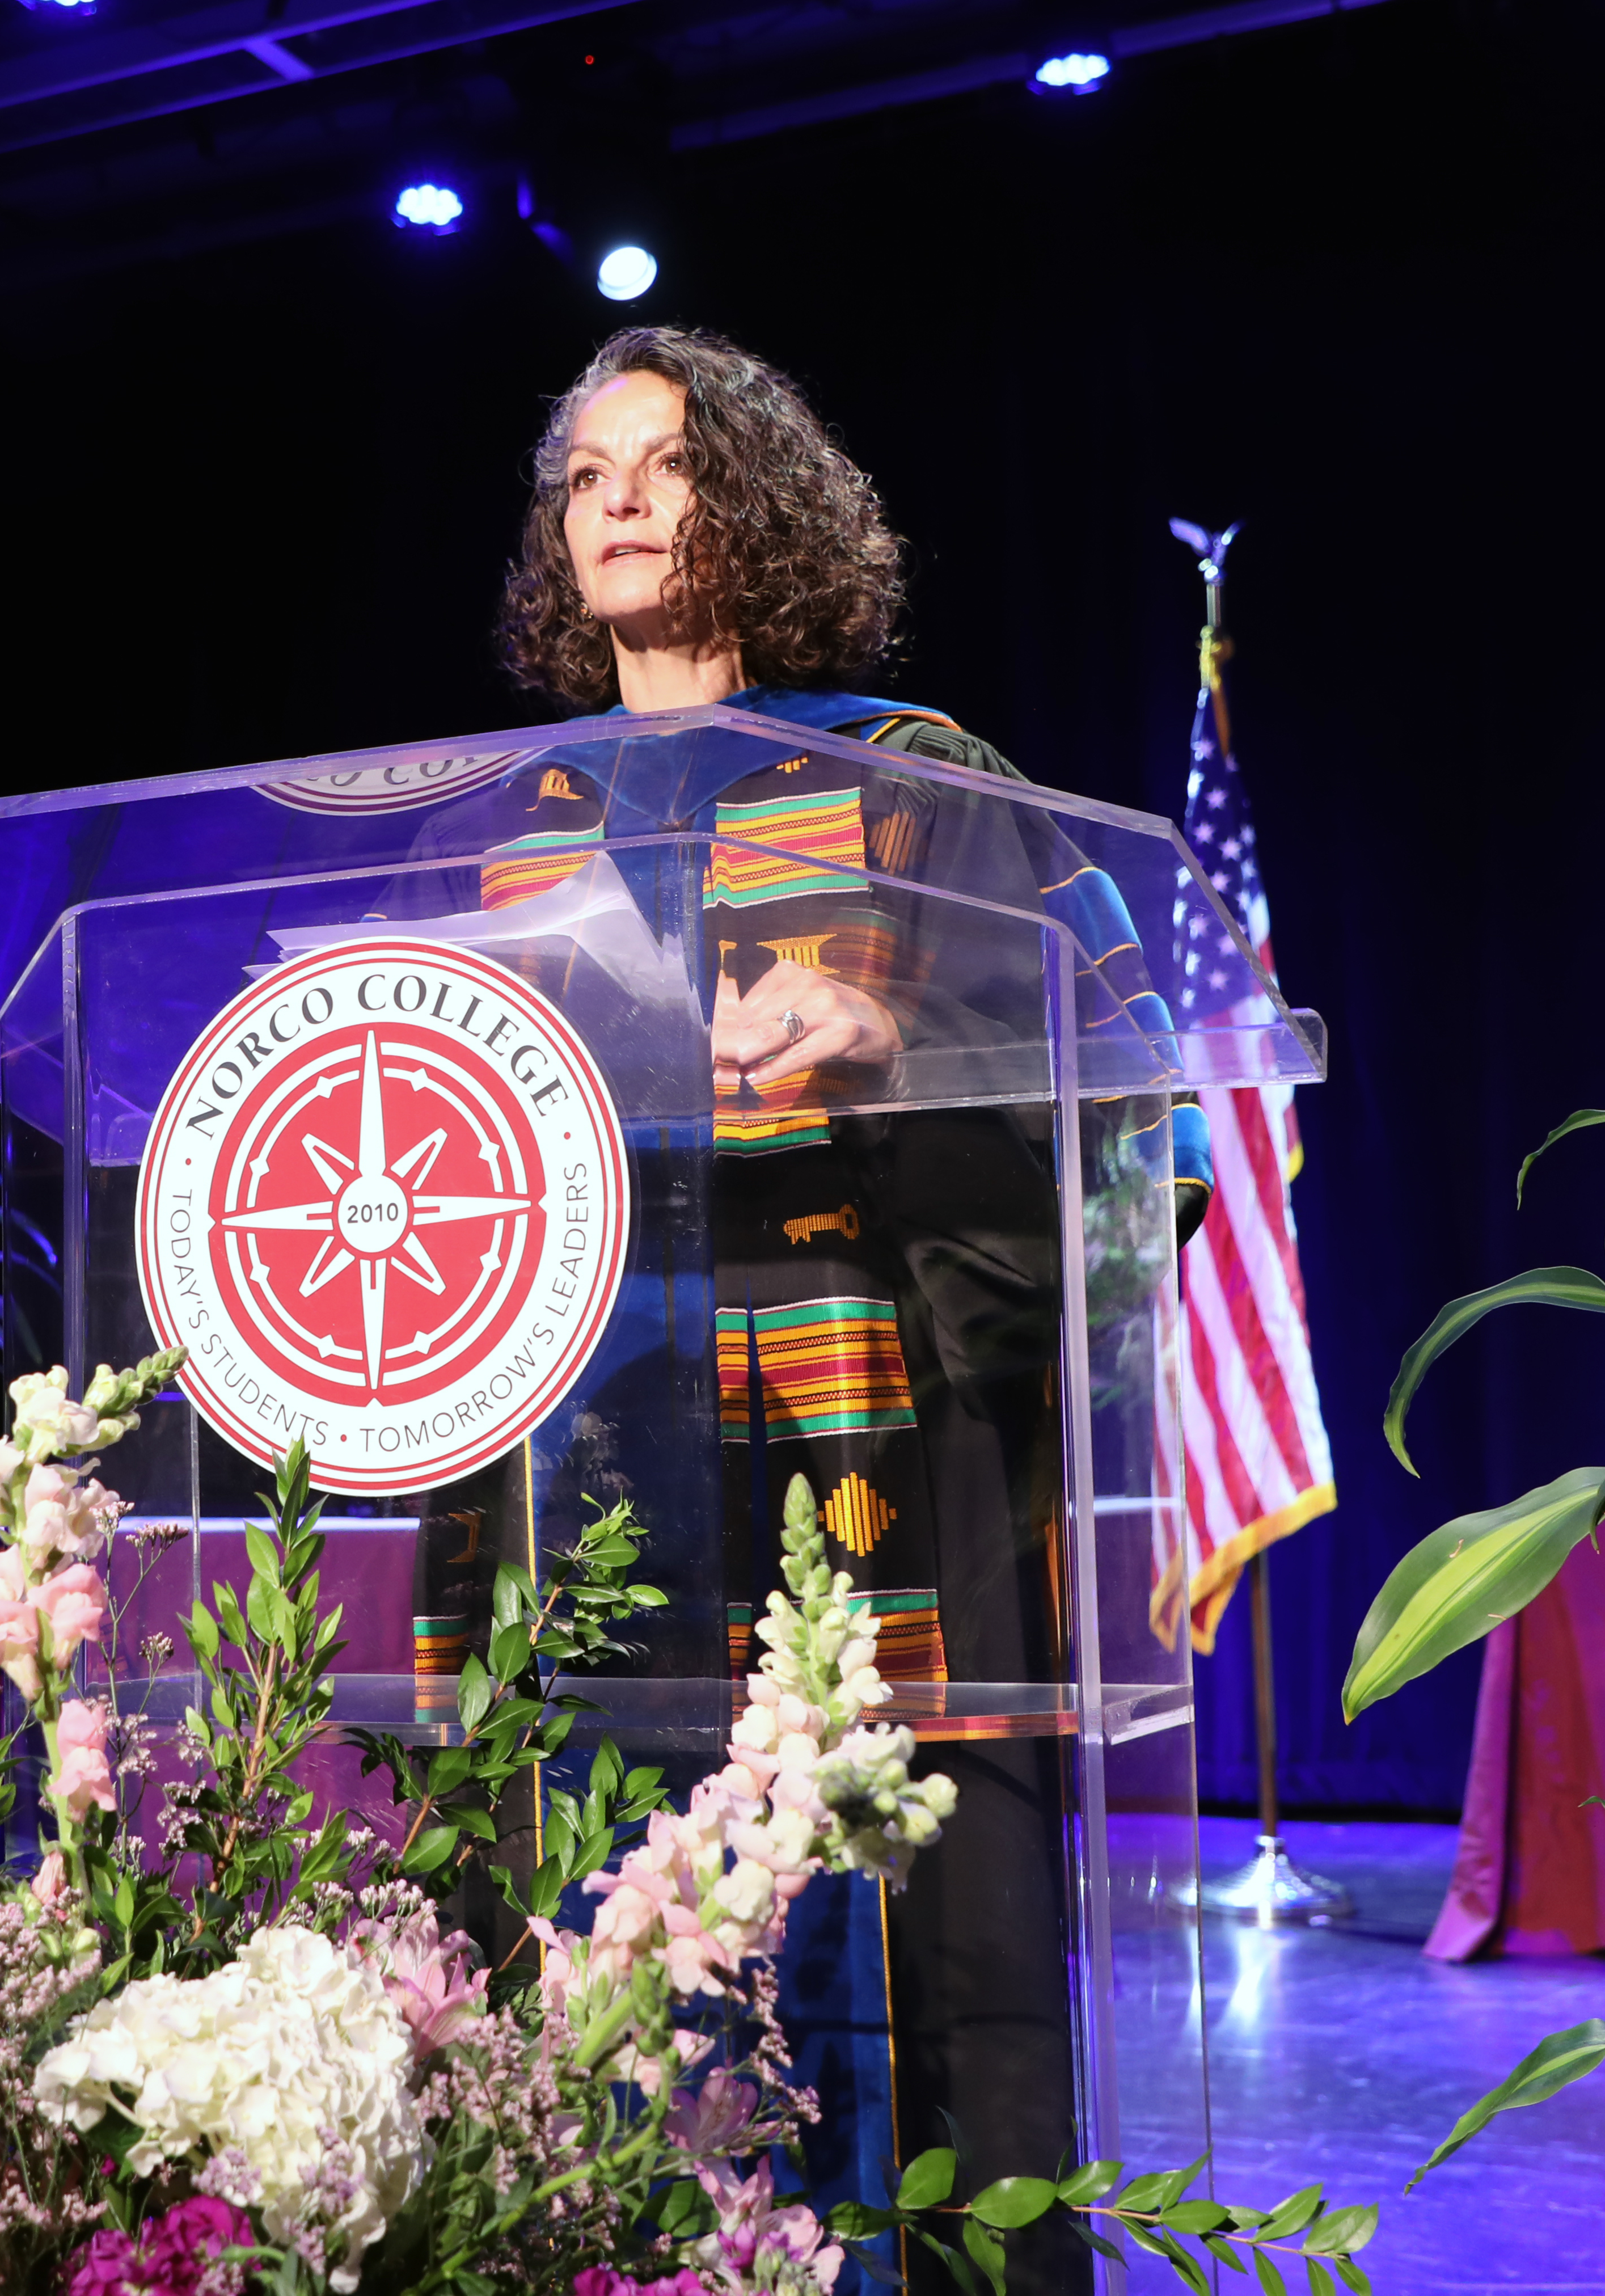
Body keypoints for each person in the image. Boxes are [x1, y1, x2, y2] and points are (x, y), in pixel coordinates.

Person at [482, 326, 1209, 2294]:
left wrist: (898, 1033)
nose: (623, 496)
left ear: (756, 501)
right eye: (589, 474)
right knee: (620, 1931)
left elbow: (1136, 1061)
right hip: (601, 1442)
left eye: (670, 463)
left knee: (928, 1932)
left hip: (874, 1413)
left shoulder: (912, 779)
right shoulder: (510, 823)